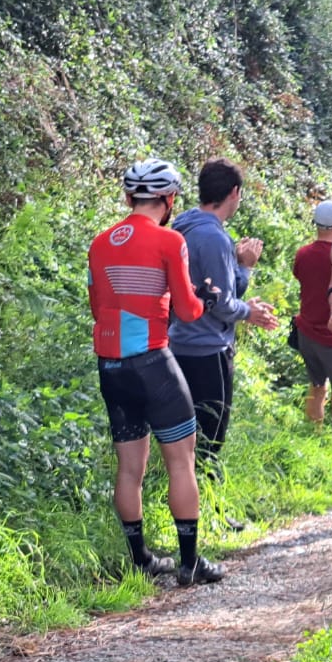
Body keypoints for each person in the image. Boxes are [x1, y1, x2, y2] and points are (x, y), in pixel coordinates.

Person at [89, 159, 224, 587]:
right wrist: (204, 298)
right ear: (168, 201)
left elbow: (97, 309)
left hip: (111, 365)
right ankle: (189, 564)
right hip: (152, 360)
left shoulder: (100, 243)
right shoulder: (169, 240)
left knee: (129, 467)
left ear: (128, 198)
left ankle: (140, 559)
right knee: (181, 461)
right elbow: (186, 310)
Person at [169, 158, 279, 485]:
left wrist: (238, 271)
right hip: (209, 348)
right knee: (211, 436)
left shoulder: (182, 225)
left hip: (178, 341)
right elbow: (222, 304)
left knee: (188, 433)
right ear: (234, 193)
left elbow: (208, 291)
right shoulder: (214, 238)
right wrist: (249, 300)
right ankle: (210, 508)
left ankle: (194, 500)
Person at [292, 200, 332, 433]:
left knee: (317, 384)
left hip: (307, 332)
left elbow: (301, 277)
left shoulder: (303, 254)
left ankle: (312, 432)